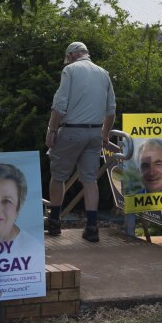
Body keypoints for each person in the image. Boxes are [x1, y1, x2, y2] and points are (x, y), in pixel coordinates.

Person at [45, 42, 115, 243]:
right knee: (90, 179)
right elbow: (111, 110)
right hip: (94, 133)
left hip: (71, 131)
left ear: (72, 54)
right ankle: (92, 227)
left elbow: (60, 104)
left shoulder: (70, 70)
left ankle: (55, 221)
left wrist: (52, 129)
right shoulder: (104, 73)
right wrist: (105, 134)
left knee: (58, 176)